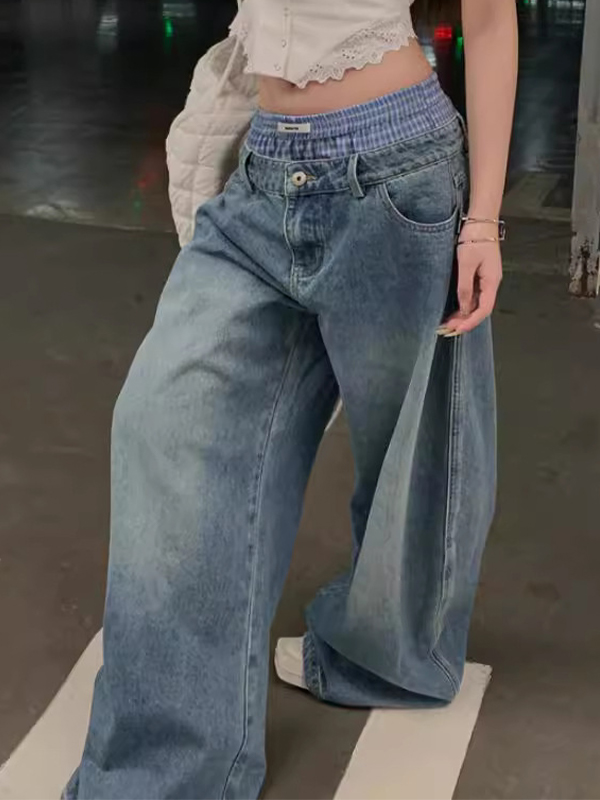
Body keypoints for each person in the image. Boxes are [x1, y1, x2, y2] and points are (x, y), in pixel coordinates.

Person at [64, 0, 517, 797]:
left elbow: (488, 21)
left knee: (412, 454)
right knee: (163, 424)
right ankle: (164, 773)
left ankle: (388, 656)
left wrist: (482, 223)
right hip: (264, 172)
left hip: (395, 170)